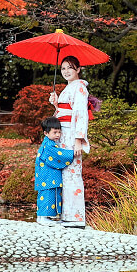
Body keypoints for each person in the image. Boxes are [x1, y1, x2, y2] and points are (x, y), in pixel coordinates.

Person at [49, 56, 90, 228]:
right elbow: (64, 112)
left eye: (70, 68)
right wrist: (56, 104)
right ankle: (68, 215)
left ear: (78, 69)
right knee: (66, 174)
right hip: (64, 135)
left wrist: (79, 140)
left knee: (73, 174)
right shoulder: (68, 88)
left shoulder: (79, 88)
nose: (66, 71)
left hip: (72, 135)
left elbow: (81, 114)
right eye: (63, 68)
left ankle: (76, 217)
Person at [35, 117, 76, 226]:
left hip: (46, 175)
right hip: (47, 176)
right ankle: (43, 218)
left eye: (59, 132)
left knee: (47, 194)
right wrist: (72, 153)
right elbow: (57, 155)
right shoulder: (49, 145)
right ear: (46, 133)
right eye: (55, 132)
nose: (58, 135)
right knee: (47, 194)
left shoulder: (48, 143)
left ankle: (42, 217)